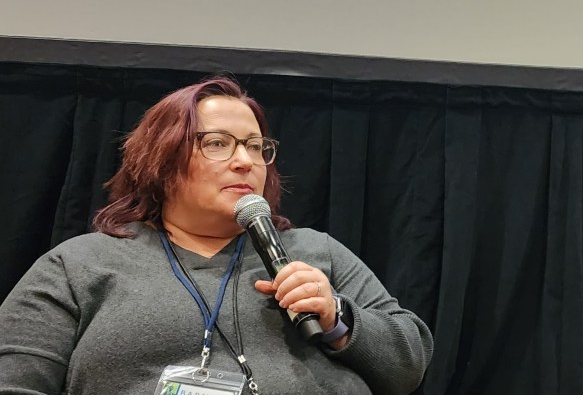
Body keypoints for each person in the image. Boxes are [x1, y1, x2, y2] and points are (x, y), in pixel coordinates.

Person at [0, 76, 432, 395]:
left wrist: (337, 318)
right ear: (161, 160)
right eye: (218, 144)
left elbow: (408, 364)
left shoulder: (315, 252)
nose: (245, 161)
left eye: (255, 145)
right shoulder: (79, 265)